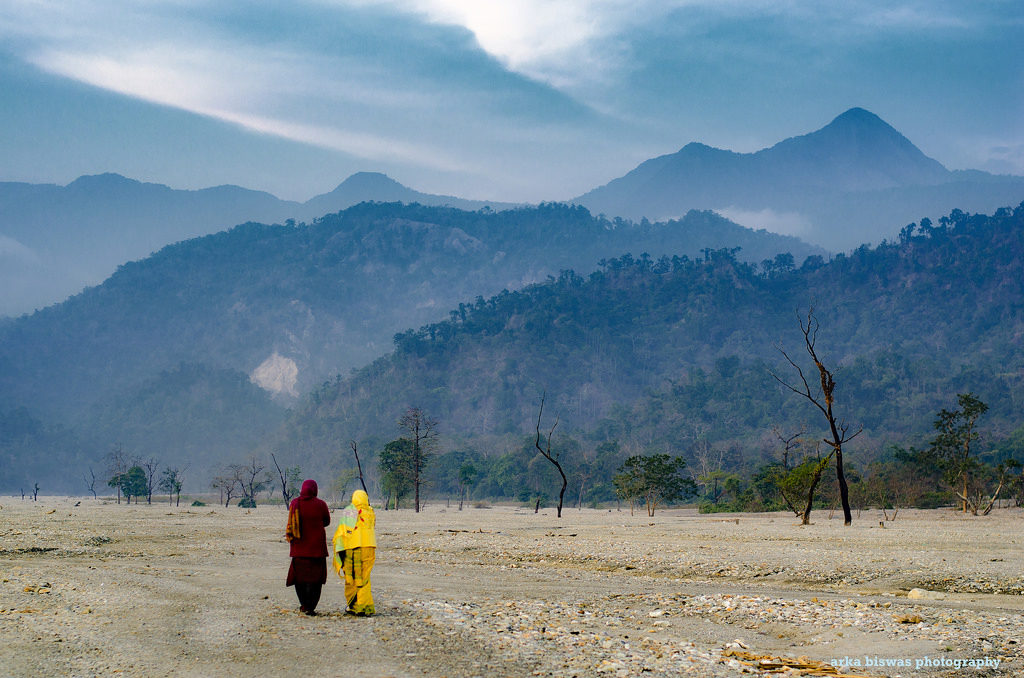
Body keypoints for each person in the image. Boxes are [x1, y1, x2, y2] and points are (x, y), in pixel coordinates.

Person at [285, 479, 331, 615]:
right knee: (316, 581)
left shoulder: (295, 503)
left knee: (300, 580)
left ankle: (304, 605)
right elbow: (327, 522)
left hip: (299, 550)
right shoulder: (321, 504)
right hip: (317, 551)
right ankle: (311, 607)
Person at [332, 489, 376, 616]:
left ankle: (356, 606)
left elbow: (344, 531)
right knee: (365, 577)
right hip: (369, 548)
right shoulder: (371, 511)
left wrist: (338, 545)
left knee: (353, 577)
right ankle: (365, 606)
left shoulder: (350, 510)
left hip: (353, 549)